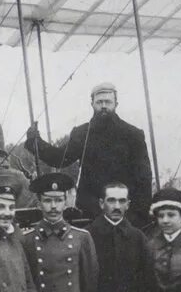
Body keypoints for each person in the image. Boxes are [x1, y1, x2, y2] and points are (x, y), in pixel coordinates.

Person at [24, 82, 153, 222]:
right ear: (92, 104)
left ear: (116, 104)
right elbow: (60, 159)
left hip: (123, 211)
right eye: (99, 102)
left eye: (108, 102)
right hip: (90, 212)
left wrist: (138, 215)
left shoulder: (133, 134)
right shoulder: (82, 133)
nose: (103, 106)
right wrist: (36, 142)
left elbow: (144, 178)